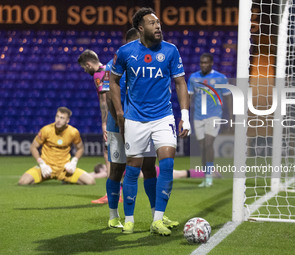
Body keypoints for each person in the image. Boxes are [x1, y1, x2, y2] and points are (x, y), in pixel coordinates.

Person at [110, 8, 191, 236]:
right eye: (152, 23)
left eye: (159, 23)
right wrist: (119, 111)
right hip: (135, 119)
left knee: (166, 165)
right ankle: (129, 219)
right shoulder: (125, 52)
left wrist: (184, 115)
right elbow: (113, 81)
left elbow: (181, 83)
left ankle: (157, 220)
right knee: (133, 171)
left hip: (163, 117)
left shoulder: (171, 51)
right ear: (140, 28)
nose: (158, 26)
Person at [104, 28, 178, 230]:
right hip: (119, 124)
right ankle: (113, 216)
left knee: (148, 168)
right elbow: (110, 96)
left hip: (140, 122)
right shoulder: (115, 64)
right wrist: (119, 121)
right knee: (118, 169)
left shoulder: (151, 57)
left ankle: (158, 216)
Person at [18, 107, 95, 185]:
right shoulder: (46, 130)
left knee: (90, 181)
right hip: (46, 169)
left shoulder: (73, 132)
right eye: (57, 116)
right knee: (23, 182)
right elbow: (33, 147)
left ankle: (66, 179)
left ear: (67, 120)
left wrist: (74, 162)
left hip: (64, 169)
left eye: (62, 118)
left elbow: (80, 148)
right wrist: (41, 164)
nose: (58, 120)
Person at [188, 53, 233, 187]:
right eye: (201, 63)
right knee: (203, 148)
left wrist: (231, 117)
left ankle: (209, 179)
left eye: (206, 62)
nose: (203, 65)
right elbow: (190, 98)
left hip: (214, 115)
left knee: (208, 143)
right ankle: (207, 174)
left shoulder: (220, 78)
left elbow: (228, 98)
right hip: (198, 117)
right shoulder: (193, 78)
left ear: (211, 63)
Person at [77, 48, 110, 197]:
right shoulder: (109, 69)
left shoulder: (98, 75)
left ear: (89, 64)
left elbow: (104, 101)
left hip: (113, 119)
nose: (85, 70)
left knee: (108, 154)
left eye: (84, 67)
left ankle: (113, 193)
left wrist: (104, 124)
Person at [89, 163, 206, 179]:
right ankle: (207, 172)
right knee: (180, 173)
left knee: (181, 174)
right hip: (151, 170)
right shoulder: (116, 167)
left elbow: (101, 174)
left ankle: (208, 172)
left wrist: (91, 175)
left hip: (153, 172)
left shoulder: (111, 170)